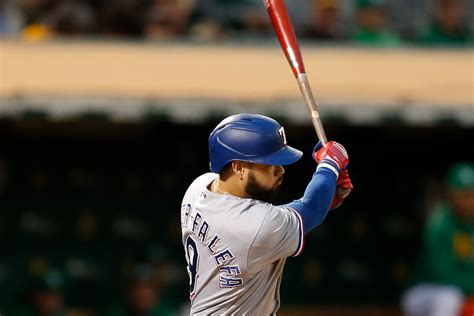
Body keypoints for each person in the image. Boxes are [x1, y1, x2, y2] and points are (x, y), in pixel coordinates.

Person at [180, 113, 353, 314]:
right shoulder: (257, 227)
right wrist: (330, 166)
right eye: (269, 163)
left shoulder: (199, 188)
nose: (281, 170)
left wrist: (328, 193)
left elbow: (257, 222)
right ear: (238, 168)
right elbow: (311, 209)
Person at [401, 162, 474, 316]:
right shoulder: (440, 223)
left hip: (463, 290)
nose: (467, 200)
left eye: (470, 194)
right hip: (424, 291)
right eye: (461, 195)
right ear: (450, 196)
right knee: (450, 298)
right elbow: (444, 274)